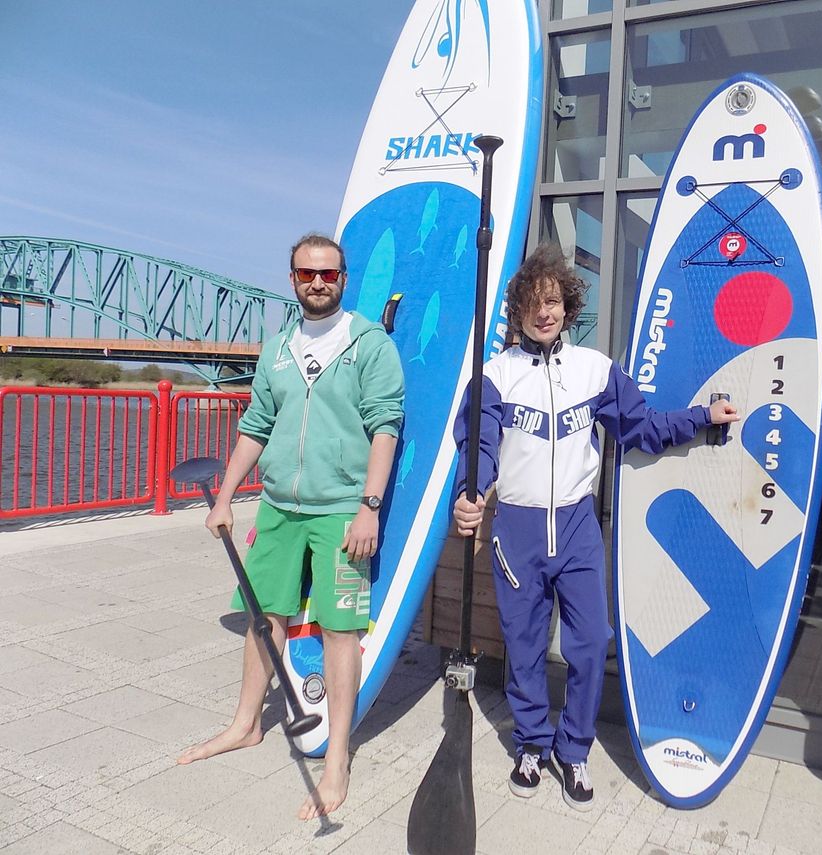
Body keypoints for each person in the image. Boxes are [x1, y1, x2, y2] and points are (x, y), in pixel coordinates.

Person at [452, 243, 739, 810]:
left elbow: (641, 427)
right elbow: (478, 447)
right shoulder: (494, 377)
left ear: (568, 307)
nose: (544, 313)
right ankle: (531, 744)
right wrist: (472, 496)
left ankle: (573, 750)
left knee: (589, 645)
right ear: (518, 310)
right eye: (533, 303)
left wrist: (703, 417)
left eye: (553, 301)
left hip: (578, 528)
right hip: (517, 532)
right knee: (525, 648)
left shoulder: (596, 369)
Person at [177, 233, 404, 821]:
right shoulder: (278, 348)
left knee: (340, 630)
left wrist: (369, 507)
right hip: (279, 506)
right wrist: (224, 499)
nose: (318, 282)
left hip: (341, 510)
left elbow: (385, 427)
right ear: (293, 279)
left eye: (328, 273)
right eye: (307, 274)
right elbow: (256, 425)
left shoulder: (369, 344)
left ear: (343, 278)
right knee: (265, 618)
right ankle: (245, 724)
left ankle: (337, 761)